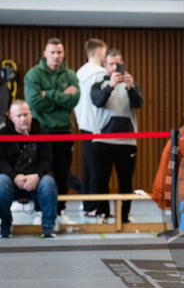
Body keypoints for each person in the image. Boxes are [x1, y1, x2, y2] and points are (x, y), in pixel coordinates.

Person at [23, 37, 79, 224]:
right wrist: (62, 97)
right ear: (45, 54)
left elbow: (74, 100)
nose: (56, 56)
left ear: (64, 54)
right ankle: (40, 212)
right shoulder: (34, 74)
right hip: (41, 131)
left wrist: (48, 94)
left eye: (59, 52)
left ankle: (60, 211)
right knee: (40, 172)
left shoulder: (70, 75)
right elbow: (34, 102)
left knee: (63, 173)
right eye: (52, 52)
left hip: (63, 130)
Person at [90, 49, 143, 223]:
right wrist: (110, 86)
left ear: (122, 64)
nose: (114, 67)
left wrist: (130, 87)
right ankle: (102, 214)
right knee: (101, 181)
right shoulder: (98, 84)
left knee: (126, 181)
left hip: (126, 141)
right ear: (105, 66)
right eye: (111, 64)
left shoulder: (131, 84)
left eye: (117, 64)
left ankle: (124, 215)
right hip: (102, 140)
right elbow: (97, 101)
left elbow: (138, 104)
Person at [0, 101, 58, 238]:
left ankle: (48, 226)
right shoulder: (3, 134)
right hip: (12, 181)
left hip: (36, 180)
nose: (23, 119)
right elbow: (1, 161)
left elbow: (47, 160)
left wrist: (37, 175)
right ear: (11, 118)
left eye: (26, 114)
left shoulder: (42, 132)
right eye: (19, 116)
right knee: (1, 182)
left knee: (48, 182)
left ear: (31, 114)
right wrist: (15, 177)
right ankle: (5, 224)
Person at [74, 38, 109, 217]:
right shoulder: (100, 73)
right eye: (105, 53)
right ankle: (95, 206)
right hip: (97, 125)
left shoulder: (79, 73)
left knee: (88, 166)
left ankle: (87, 204)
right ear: (99, 52)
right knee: (97, 168)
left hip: (83, 123)